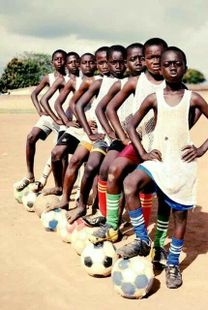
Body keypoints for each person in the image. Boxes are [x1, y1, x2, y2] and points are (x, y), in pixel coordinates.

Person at [115, 46, 208, 289]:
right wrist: (143, 152)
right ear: (160, 68)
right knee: (129, 183)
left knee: (179, 215)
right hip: (159, 161)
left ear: (185, 67)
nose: (172, 67)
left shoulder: (192, 98)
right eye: (167, 64)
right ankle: (143, 240)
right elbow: (132, 126)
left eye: (178, 63)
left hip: (182, 165)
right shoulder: (153, 98)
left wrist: (202, 149)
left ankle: (174, 263)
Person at [89, 38, 169, 243]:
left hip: (162, 146)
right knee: (115, 170)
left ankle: (155, 241)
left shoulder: (173, 83)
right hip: (138, 141)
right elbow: (108, 108)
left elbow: (191, 111)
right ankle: (112, 224)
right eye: (150, 57)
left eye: (160, 57)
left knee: (155, 188)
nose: (156, 61)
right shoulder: (136, 82)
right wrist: (123, 136)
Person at [47, 45, 126, 218]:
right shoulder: (97, 82)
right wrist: (84, 127)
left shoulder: (127, 83)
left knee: (96, 168)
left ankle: (99, 208)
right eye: (102, 62)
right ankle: (67, 199)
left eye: (108, 61)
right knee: (77, 161)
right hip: (96, 133)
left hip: (112, 136)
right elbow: (76, 104)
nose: (105, 65)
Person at [80, 42, 145, 227]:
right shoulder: (122, 84)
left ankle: (119, 219)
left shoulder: (154, 83)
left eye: (142, 58)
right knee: (105, 169)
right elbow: (104, 108)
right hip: (122, 137)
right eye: (133, 59)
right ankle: (105, 214)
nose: (138, 62)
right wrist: (112, 131)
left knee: (125, 176)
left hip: (143, 139)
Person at [42, 53, 97, 196]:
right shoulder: (75, 82)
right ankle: (59, 187)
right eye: (84, 63)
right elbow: (57, 103)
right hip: (78, 127)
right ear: (80, 65)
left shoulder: (100, 81)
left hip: (93, 128)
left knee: (86, 160)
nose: (88, 66)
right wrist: (66, 121)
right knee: (56, 153)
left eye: (91, 63)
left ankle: (83, 193)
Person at [15, 49, 67, 191]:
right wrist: (39, 110)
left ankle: (61, 186)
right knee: (31, 136)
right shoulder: (49, 77)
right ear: (52, 62)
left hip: (63, 119)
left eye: (63, 59)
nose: (60, 62)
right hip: (49, 116)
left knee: (60, 153)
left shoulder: (71, 78)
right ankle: (30, 175)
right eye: (57, 59)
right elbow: (34, 94)